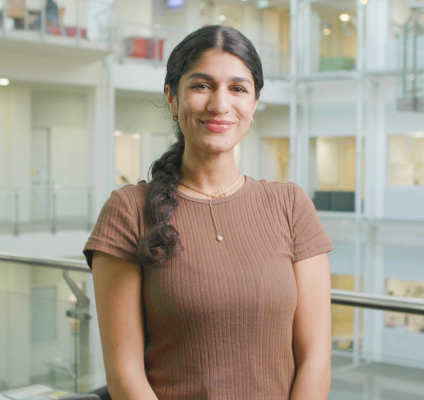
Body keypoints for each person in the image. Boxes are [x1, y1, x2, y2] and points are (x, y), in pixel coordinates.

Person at [83, 25, 334, 400]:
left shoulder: (290, 205)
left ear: (254, 102)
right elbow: (125, 373)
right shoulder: (129, 210)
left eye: (238, 88)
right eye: (201, 86)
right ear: (172, 97)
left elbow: (316, 357)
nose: (220, 105)